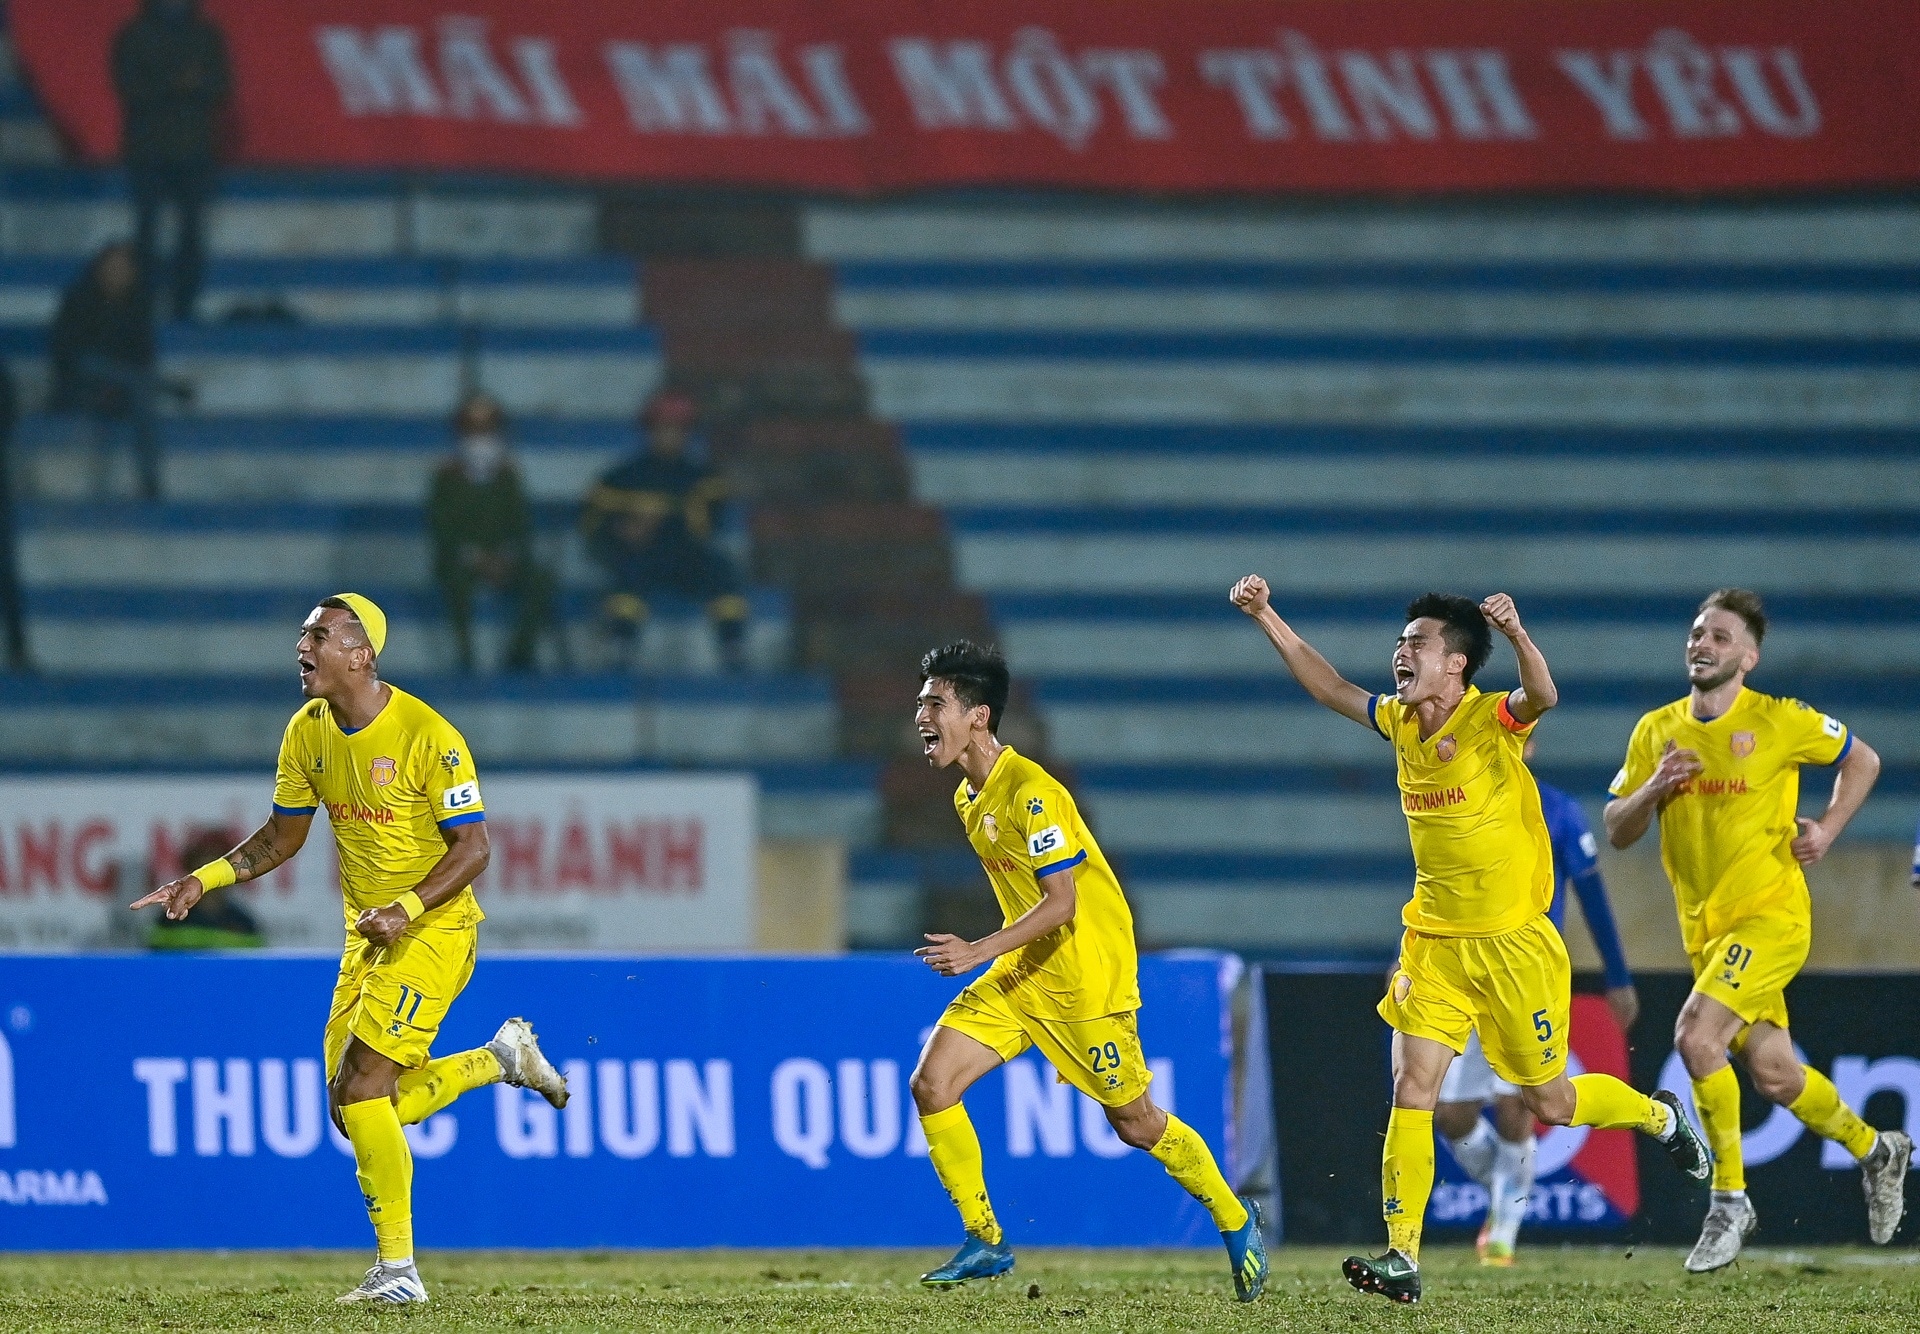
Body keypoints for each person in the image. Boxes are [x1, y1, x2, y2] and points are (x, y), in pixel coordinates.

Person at [1229, 577, 1708, 1306]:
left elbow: (1542, 696)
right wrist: (1267, 615)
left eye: (1416, 643)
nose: (1401, 652)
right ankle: (1403, 1255)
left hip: (1514, 946)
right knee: (1412, 1088)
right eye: (1400, 642)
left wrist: (1517, 636)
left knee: (1549, 1103)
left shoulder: (1492, 720)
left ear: (1455, 663)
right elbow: (1328, 686)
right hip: (1433, 942)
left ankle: (1660, 1116)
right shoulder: (1397, 721)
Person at [130, 593, 570, 1305]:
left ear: (362, 655)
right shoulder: (307, 731)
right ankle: (500, 1060)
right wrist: (203, 880)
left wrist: (404, 907)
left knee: (363, 1084)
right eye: (303, 635)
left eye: (319, 636)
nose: (302, 648)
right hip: (366, 935)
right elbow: (282, 836)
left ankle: (399, 1272)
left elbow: (476, 847)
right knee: (355, 1105)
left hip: (434, 926)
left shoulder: (430, 735)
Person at [907, 640, 1268, 1302]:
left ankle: (1236, 1218)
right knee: (932, 1085)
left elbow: (1064, 903)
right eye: (920, 704)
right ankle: (986, 1240)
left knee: (1134, 1123)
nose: (921, 716)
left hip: (1084, 982)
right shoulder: (968, 797)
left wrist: (977, 950)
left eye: (936, 703)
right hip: (1022, 977)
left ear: (980, 716)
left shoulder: (1033, 794)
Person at [1604, 587, 1907, 1272]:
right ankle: (1878, 1149)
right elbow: (1617, 830)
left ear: (1748, 655)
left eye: (1717, 636)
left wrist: (1827, 829)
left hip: (1772, 916)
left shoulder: (1780, 720)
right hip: (1706, 935)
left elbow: (1864, 759)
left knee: (1694, 1036)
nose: (1700, 644)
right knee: (1774, 1074)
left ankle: (1729, 1200)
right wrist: (1653, 788)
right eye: (1695, 633)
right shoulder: (1656, 730)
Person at [1434, 731, 1638, 1268]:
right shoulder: (1461, 798)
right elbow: (1437, 887)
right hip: (1467, 972)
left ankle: (1502, 1230)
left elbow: (1592, 896)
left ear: (1529, 748)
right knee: (1450, 1113)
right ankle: (1508, 1191)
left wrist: (1617, 974)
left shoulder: (1559, 811)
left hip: (1528, 979)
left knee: (1516, 1108)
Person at [580, 391, 748, 672]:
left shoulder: (702, 477)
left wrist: (670, 517)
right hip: (640, 556)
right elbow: (591, 521)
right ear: (649, 431)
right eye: (662, 428)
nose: (669, 436)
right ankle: (621, 646)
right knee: (627, 578)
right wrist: (623, 529)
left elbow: (709, 526)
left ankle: (733, 647)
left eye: (677, 429)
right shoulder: (624, 476)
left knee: (724, 572)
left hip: (686, 555)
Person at [112, 0, 231, 322]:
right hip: (147, 152)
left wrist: (189, 85)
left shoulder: (207, 35)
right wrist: (177, 84)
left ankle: (184, 306)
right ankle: (142, 305)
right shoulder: (134, 35)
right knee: (147, 233)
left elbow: (222, 85)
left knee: (191, 234)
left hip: (194, 153)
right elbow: (127, 87)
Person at [427, 393, 554, 674]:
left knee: (542, 579)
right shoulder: (446, 477)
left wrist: (505, 557)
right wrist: (475, 558)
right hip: (461, 561)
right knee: (456, 584)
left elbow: (520, 526)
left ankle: (520, 654)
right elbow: (442, 528)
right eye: (473, 431)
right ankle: (465, 658)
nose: (481, 439)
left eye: (487, 430)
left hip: (504, 558)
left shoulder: (508, 475)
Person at [49, 242, 167, 500]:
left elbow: (143, 353)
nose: (118, 272)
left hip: (123, 389)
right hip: (82, 383)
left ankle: (149, 480)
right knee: (136, 382)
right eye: (112, 266)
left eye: (124, 267)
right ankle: (149, 479)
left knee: (139, 386)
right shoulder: (79, 299)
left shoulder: (139, 305)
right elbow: (66, 354)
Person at [147, 827, 264, 949]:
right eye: (202, 868)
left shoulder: (244, 924)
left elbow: (254, 965)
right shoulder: (169, 921)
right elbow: (155, 963)